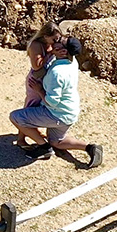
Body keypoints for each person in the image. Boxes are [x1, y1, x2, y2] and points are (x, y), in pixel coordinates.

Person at [9, 36, 104, 169]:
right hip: (69, 112)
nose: (57, 41)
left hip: (55, 113)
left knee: (16, 117)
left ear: (64, 51)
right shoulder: (72, 61)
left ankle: (44, 147)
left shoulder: (57, 73)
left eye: (60, 42)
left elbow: (52, 102)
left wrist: (39, 90)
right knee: (57, 142)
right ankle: (90, 148)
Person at [16, 21, 62, 147]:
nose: (56, 41)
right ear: (46, 36)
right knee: (29, 109)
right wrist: (52, 53)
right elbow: (36, 66)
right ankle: (21, 139)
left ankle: (32, 131)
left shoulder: (48, 44)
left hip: (45, 81)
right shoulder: (36, 45)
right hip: (36, 81)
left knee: (39, 108)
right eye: (54, 38)